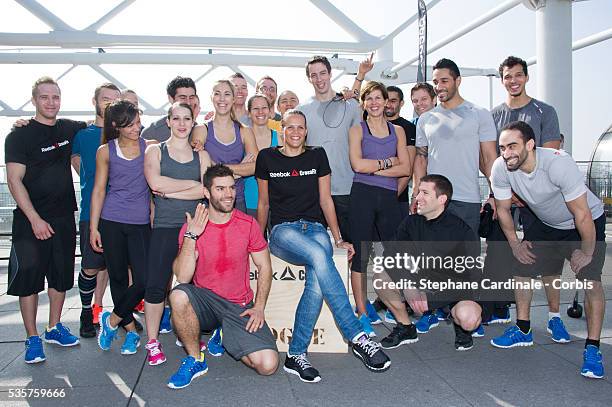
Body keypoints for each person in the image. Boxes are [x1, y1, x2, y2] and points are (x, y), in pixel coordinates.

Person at [256, 109, 391, 383]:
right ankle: (355, 334)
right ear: (281, 130)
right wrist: (258, 239)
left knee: (317, 277)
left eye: (300, 128)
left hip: (316, 228)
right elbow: (264, 203)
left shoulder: (317, 155)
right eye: (290, 127)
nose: (295, 132)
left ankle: (296, 355)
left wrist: (338, 236)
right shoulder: (267, 157)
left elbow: (326, 200)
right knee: (320, 255)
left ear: (306, 131)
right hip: (283, 231)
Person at [490, 121, 607, 379]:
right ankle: (522, 329)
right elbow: (503, 210)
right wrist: (515, 244)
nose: (506, 153)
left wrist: (586, 252)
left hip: (584, 222)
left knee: (590, 282)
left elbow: (582, 213)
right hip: (546, 223)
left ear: (530, 145)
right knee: (522, 264)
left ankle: (593, 348)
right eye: (502, 148)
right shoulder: (500, 167)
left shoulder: (557, 163)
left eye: (512, 146)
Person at [167, 164, 278, 389]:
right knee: (178, 296)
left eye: (231, 188)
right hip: (205, 302)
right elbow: (182, 276)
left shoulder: (248, 224)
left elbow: (264, 266)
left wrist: (259, 307)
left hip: (239, 305)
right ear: (206, 193)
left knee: (268, 365)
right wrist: (191, 236)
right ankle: (196, 358)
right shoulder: (193, 226)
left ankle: (226, 334)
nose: (228, 194)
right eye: (220, 189)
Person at [5, 76, 85, 363]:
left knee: (61, 277)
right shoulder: (18, 136)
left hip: (64, 217)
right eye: (44, 97)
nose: (51, 102)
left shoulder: (69, 128)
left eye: (55, 97)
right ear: (34, 100)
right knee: (29, 281)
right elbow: (14, 181)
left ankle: (53, 327)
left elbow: (107, 121)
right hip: (30, 221)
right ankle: (32, 337)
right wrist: (35, 219)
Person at [484, 55, 563, 328]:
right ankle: (502, 308)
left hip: (539, 197)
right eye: (507, 76)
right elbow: (489, 157)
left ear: (527, 77)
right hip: (505, 194)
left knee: (545, 257)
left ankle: (554, 315)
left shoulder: (545, 111)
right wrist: (498, 193)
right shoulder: (493, 115)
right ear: (502, 79)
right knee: (499, 252)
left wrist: (527, 191)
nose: (513, 80)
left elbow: (552, 152)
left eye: (518, 75)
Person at [376, 175, 483, 351]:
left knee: (468, 319)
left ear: (442, 199)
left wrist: (432, 301)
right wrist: (407, 284)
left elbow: (472, 279)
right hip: (421, 280)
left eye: (424, 193)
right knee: (381, 276)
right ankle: (405, 327)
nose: (417, 198)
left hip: (454, 288)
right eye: (418, 192)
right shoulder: (411, 222)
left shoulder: (461, 231)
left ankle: (459, 324)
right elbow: (390, 256)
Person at [142, 102, 212, 366]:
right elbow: (155, 183)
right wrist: (192, 185)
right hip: (165, 225)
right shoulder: (155, 151)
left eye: (187, 119)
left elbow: (206, 191)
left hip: (195, 227)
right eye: (177, 118)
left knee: (194, 287)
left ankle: (189, 334)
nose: (182, 124)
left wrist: (170, 191)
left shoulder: (201, 156)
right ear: (168, 122)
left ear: (193, 123)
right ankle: (152, 341)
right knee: (156, 285)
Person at [90, 100, 156, 355]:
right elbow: (98, 190)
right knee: (117, 278)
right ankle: (130, 332)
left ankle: (112, 320)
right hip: (112, 221)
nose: (136, 129)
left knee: (145, 279)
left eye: (138, 122)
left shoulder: (149, 147)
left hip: (140, 223)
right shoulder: (105, 151)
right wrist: (94, 228)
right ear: (116, 126)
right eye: (130, 125)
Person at [348, 81, 411, 337]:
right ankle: (362, 313)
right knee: (361, 258)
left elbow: (405, 168)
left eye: (378, 98)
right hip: (362, 196)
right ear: (363, 103)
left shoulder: (398, 131)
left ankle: (399, 314)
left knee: (394, 258)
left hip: (388, 198)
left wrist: (372, 166)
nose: (374, 103)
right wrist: (387, 163)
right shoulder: (357, 130)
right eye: (369, 99)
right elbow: (356, 165)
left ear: (387, 102)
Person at [413, 58, 498, 234]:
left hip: (467, 201)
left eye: (444, 81)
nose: (439, 86)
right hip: (433, 201)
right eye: (435, 82)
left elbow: (490, 158)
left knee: (464, 260)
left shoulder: (479, 114)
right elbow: (421, 160)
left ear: (458, 81)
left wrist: (494, 195)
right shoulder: (425, 119)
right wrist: (417, 195)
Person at [71, 82, 120, 338]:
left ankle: (122, 315)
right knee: (91, 266)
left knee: (121, 267)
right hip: (93, 213)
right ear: (95, 102)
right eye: (105, 99)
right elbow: (81, 169)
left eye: (115, 99)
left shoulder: (127, 135)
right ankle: (85, 311)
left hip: (122, 215)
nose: (110, 103)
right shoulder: (82, 136)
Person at [192, 80, 258, 213]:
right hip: (211, 203)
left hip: (237, 200)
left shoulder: (245, 131)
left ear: (233, 99)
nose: (222, 99)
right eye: (217, 94)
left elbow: (256, 166)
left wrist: (218, 169)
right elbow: (199, 167)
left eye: (227, 94)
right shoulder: (201, 130)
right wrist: (237, 172)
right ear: (211, 98)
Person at [244, 94, 280, 220]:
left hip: (276, 202)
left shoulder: (280, 137)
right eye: (255, 108)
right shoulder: (241, 138)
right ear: (249, 113)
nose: (260, 112)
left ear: (270, 111)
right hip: (249, 202)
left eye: (264, 108)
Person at [385, 85, 416, 214]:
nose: (388, 104)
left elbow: (408, 168)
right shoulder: (371, 125)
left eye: (393, 101)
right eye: (386, 100)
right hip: (372, 196)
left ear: (401, 103)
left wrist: (392, 197)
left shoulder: (408, 128)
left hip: (397, 199)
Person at [142, 76, 199, 142]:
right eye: (183, 98)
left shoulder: (203, 130)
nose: (188, 102)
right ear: (171, 99)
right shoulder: (152, 133)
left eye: (191, 97)